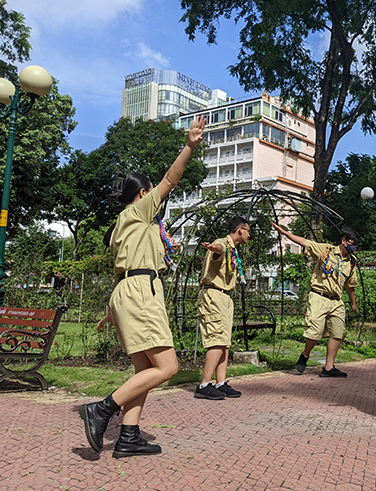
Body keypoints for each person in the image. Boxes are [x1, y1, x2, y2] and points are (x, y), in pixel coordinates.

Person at [79, 115, 206, 458]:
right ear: (144, 193)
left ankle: (129, 436)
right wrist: (190, 146)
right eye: (153, 193)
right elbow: (171, 178)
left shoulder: (122, 223)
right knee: (168, 368)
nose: (158, 197)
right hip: (140, 291)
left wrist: (112, 311)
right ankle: (103, 409)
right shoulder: (140, 211)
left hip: (126, 293)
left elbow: (120, 271)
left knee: (143, 370)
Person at [271, 223, 358, 377]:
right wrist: (284, 232)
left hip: (336, 300)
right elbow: (304, 242)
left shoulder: (352, 261)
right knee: (314, 333)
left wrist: (353, 303)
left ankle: (329, 368)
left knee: (337, 333)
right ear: (343, 241)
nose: (353, 247)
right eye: (351, 243)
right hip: (319, 296)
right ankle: (305, 355)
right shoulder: (326, 250)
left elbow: (350, 285)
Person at [194, 217, 250, 400]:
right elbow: (220, 250)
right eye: (248, 231)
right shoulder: (222, 243)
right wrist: (213, 249)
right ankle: (204, 384)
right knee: (216, 340)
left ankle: (220, 383)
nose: (249, 235)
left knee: (224, 343)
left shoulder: (233, 249)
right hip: (213, 295)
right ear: (240, 230)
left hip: (225, 297)